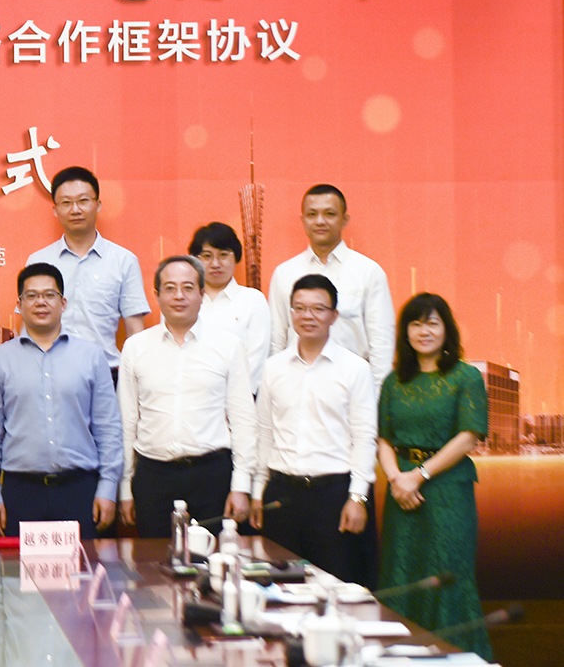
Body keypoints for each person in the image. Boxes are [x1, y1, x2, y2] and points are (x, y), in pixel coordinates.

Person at [377, 294, 492, 660]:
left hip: (447, 491)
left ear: (446, 330)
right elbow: (383, 439)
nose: (423, 331)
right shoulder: (394, 381)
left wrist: (420, 475)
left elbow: (469, 436)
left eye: (432, 323)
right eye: (415, 323)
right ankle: (400, 658)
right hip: (401, 492)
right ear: (405, 332)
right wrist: (397, 478)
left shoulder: (465, 377)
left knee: (447, 573)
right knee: (401, 573)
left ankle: (455, 658)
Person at [251, 274, 377, 586]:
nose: (308, 316)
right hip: (281, 495)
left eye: (318, 309)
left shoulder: (355, 368)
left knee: (337, 587)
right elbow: (264, 432)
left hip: (333, 496)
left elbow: (364, 437)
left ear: (334, 315)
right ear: (291, 312)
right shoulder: (273, 367)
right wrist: (258, 491)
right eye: (300, 308)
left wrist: (358, 497)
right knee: (281, 588)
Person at [117, 256, 257, 538]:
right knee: (155, 561)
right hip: (153, 477)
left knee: (214, 560)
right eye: (169, 288)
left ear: (202, 294)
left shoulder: (228, 346)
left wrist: (241, 486)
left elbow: (243, 420)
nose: (179, 296)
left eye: (188, 288)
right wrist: (125, 487)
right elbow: (126, 422)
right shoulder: (135, 347)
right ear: (156, 295)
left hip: (211, 475)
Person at [0, 263, 122, 538]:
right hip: (21, 492)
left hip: (81, 489)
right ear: (19, 304)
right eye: (31, 296)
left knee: (83, 566)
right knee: (21, 568)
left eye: (49, 295)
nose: (41, 302)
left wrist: (108, 487)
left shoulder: (91, 356)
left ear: (63, 303)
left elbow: (108, 428)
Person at [26, 166, 149, 378]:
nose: (75, 210)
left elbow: (135, 330)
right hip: (47, 374)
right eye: (66, 203)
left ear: (97, 205)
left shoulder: (123, 260)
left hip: (105, 374)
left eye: (83, 200)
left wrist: (136, 380)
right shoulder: (38, 261)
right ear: (55, 210)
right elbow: (28, 324)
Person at [268, 185, 395, 387]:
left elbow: (381, 340)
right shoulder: (284, 273)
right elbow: (277, 339)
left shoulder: (368, 272)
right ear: (303, 220)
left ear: (344, 219)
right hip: (296, 384)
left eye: (329, 214)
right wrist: (277, 384)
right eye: (312, 214)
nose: (320, 221)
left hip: (352, 385)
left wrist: (377, 393)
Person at [189, 222, 270, 393]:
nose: (215, 263)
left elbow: (256, 358)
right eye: (207, 256)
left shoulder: (253, 299)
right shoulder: (184, 301)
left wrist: (235, 398)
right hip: (192, 396)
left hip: (241, 398)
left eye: (223, 255)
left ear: (236, 257)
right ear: (196, 260)